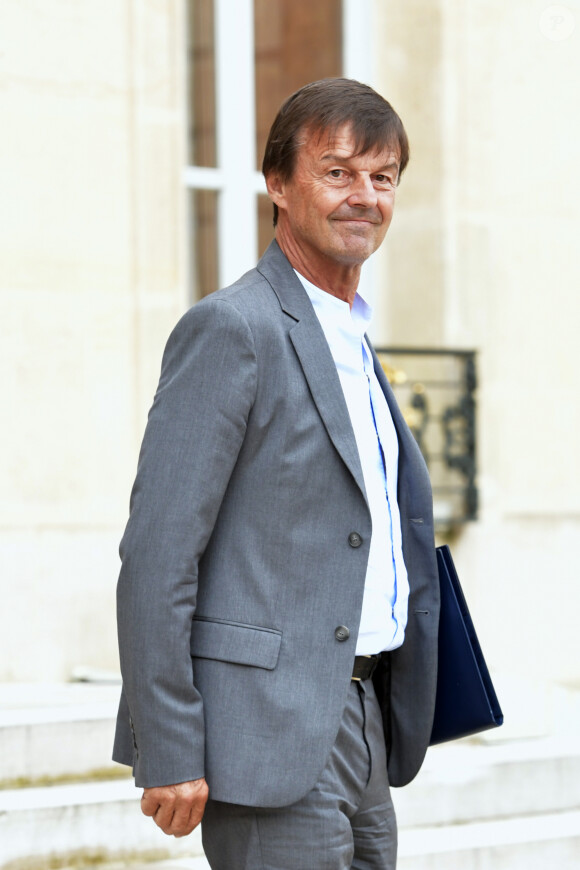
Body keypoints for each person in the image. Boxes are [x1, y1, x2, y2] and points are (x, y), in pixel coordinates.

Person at [113, 77, 440, 870]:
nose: (364, 196)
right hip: (264, 728)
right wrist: (170, 745)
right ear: (278, 185)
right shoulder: (234, 329)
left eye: (382, 176)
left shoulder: (352, 337)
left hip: (363, 711)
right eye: (337, 172)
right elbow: (158, 554)